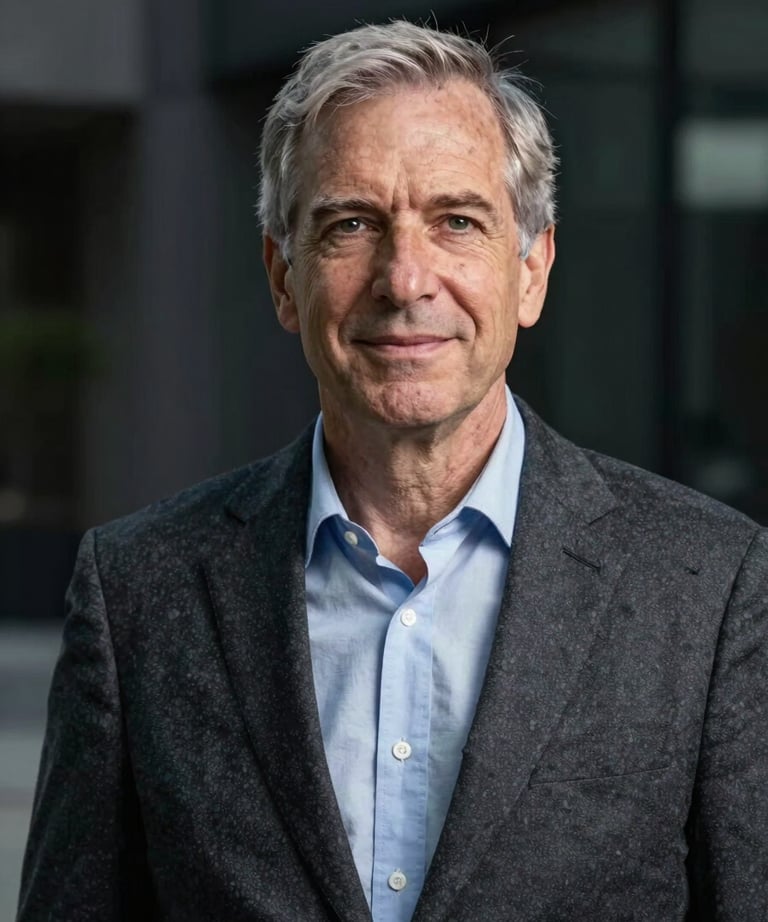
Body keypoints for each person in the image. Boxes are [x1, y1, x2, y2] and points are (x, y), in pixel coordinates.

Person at [18, 20, 768, 922]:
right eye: (351, 224)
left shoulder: (709, 588)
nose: (405, 278)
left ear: (531, 270)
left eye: (457, 221)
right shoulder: (138, 591)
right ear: (283, 278)